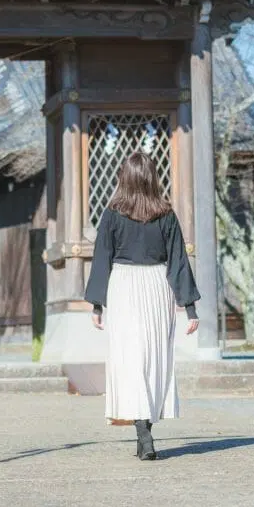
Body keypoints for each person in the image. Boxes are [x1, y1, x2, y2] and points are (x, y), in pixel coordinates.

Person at [84, 152, 200, 461]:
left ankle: (143, 434)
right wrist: (189, 307)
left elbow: (101, 259)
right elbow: (178, 260)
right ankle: (144, 432)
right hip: (157, 286)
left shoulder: (111, 214)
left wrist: (97, 305)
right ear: (153, 177)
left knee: (131, 360)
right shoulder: (166, 214)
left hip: (123, 287)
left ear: (124, 177)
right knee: (153, 360)